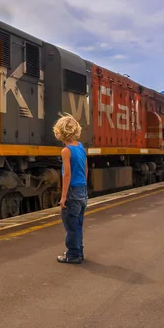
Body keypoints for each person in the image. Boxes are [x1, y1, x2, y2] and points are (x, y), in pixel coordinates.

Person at [53, 113, 88, 265]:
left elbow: (67, 174)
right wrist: (84, 186)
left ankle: (73, 255)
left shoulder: (66, 151)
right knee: (78, 224)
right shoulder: (80, 147)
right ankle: (79, 252)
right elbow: (86, 168)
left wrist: (63, 196)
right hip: (82, 190)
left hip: (72, 192)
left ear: (59, 132)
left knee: (71, 226)